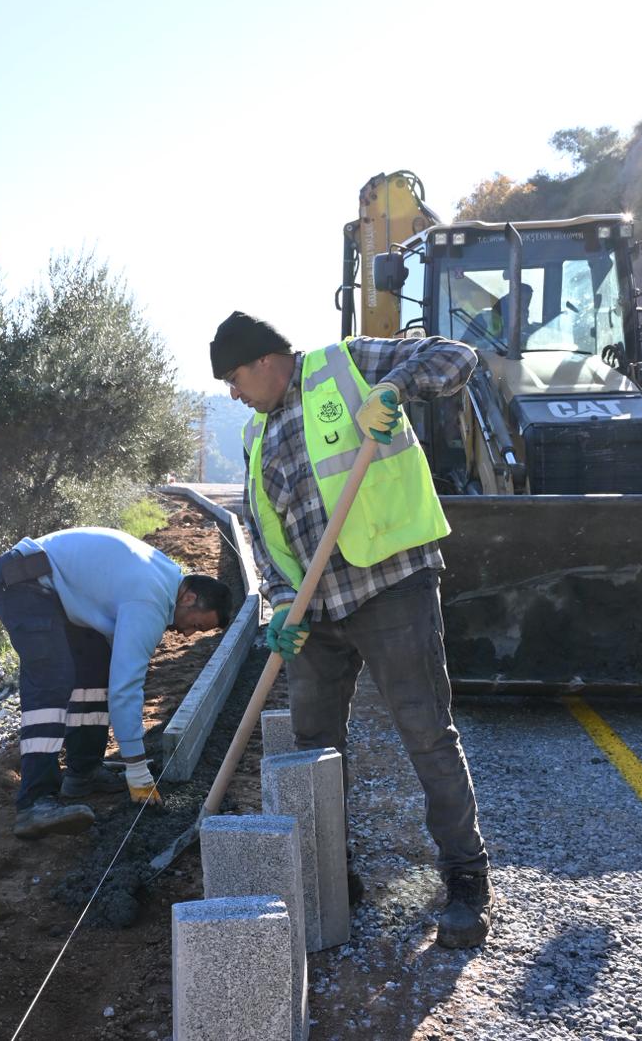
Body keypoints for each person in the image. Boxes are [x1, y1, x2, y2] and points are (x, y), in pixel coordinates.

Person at [209, 310, 493, 949]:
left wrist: (394, 389)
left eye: (233, 378)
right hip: (317, 613)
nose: (232, 393)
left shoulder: (344, 365)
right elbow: (260, 534)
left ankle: (466, 880)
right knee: (314, 746)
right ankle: (333, 880)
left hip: (389, 587)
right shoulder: (257, 436)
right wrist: (283, 604)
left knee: (425, 730)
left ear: (263, 361)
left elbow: (456, 357)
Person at [0, 527, 234, 840]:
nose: (186, 635)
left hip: (54, 590)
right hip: (25, 583)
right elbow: (126, 688)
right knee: (51, 681)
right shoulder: (151, 599)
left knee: (94, 667)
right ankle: (35, 802)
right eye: (195, 625)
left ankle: (83, 771)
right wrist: (137, 768)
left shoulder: (166, 577)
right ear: (189, 597)